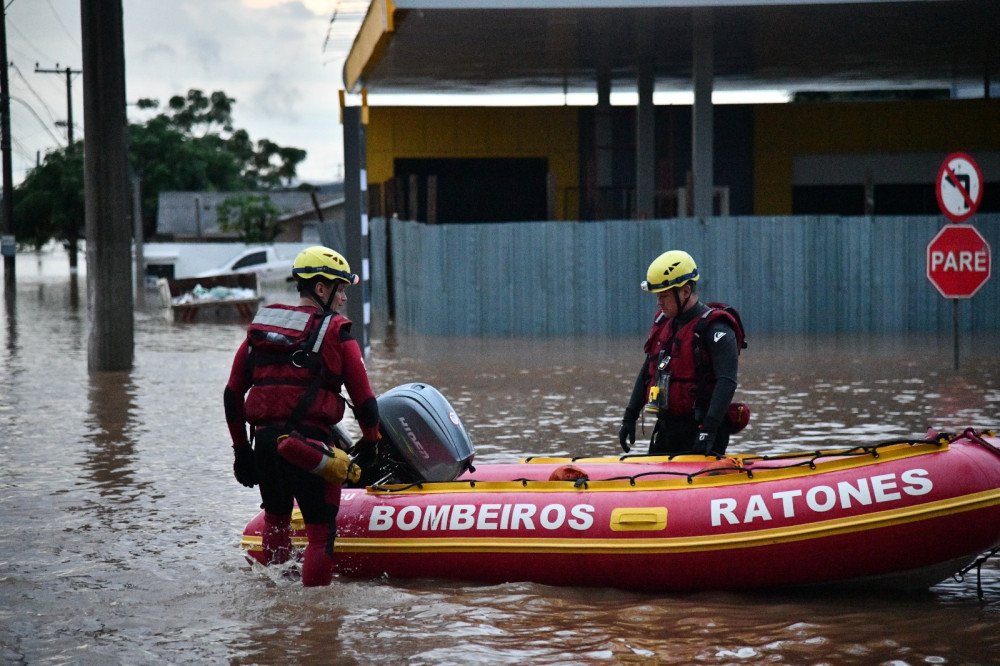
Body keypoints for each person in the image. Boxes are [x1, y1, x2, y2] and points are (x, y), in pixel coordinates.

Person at [224, 245, 381, 586]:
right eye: (340, 289)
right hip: (309, 450)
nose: (343, 298)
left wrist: (241, 452)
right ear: (321, 289)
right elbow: (366, 402)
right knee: (321, 534)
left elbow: (233, 394)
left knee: (277, 520)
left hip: (265, 445)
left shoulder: (262, 331)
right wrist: (372, 444)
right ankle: (318, 624)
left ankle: (277, 604)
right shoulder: (338, 333)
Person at [618, 250, 746, 457]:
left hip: (702, 429)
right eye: (657, 296)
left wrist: (708, 431)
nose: (659, 302)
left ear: (685, 291)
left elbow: (726, 382)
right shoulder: (663, 324)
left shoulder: (716, 329)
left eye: (665, 295)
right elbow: (646, 372)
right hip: (668, 430)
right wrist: (629, 417)